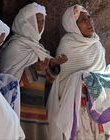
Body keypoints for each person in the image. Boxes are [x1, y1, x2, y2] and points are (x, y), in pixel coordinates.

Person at [0, 2, 67, 140]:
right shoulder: (13, 48)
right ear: (25, 22)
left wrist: (53, 66)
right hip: (19, 111)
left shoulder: (40, 49)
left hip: (38, 111)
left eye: (42, 21)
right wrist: (32, 70)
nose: (40, 25)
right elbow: (6, 86)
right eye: (36, 21)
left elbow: (47, 83)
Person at [47, 4, 110, 140]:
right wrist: (81, 78)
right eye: (83, 20)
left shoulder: (97, 44)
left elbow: (102, 73)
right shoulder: (67, 45)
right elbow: (62, 82)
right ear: (72, 25)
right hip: (77, 108)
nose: (89, 22)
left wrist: (96, 78)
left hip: (97, 107)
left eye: (89, 18)